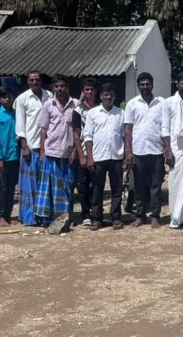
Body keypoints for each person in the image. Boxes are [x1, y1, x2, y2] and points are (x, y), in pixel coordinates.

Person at [37, 74, 82, 226]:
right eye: (56, 86)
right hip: (51, 152)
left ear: (67, 87)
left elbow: (78, 130)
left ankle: (66, 219)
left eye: (62, 86)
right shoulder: (48, 105)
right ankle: (51, 220)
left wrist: (76, 151)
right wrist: (42, 151)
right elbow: (43, 130)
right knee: (51, 189)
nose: (59, 89)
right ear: (53, 88)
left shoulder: (76, 104)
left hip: (69, 153)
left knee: (67, 188)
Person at [125, 72, 165, 227]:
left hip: (156, 150)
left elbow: (165, 127)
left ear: (152, 85)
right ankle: (140, 216)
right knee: (138, 185)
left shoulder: (161, 103)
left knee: (156, 185)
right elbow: (128, 129)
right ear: (138, 86)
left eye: (148, 84)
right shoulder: (132, 104)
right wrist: (128, 151)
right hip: (138, 151)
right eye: (142, 85)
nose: (145, 87)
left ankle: (155, 216)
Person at [85, 83, 126, 230]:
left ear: (114, 96)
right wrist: (89, 157)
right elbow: (88, 136)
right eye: (105, 95)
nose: (108, 97)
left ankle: (116, 218)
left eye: (111, 95)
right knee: (97, 189)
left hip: (116, 157)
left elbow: (125, 136)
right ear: (101, 96)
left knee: (117, 189)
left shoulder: (121, 114)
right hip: (98, 157)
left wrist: (127, 155)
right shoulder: (93, 113)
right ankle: (96, 218)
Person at [15, 70, 52, 226]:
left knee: (44, 184)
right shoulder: (22, 99)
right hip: (30, 147)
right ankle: (29, 217)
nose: (35, 82)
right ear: (28, 81)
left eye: (37, 79)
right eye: (32, 80)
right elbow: (20, 124)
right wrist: (25, 146)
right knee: (30, 185)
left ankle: (44, 215)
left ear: (41, 80)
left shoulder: (50, 96)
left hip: (48, 147)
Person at [161, 72, 183, 228]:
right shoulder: (168, 103)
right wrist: (168, 151)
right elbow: (164, 128)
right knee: (175, 184)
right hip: (175, 150)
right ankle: (175, 216)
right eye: (182, 83)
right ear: (177, 84)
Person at [0, 86, 20, 227]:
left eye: (9, 96)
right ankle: (0, 216)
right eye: (3, 97)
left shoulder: (17, 113)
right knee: (1, 187)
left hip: (15, 155)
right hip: (3, 156)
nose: (7, 99)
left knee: (11, 187)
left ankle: (8, 214)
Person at [75, 78, 98, 225]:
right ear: (83, 92)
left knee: (97, 185)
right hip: (84, 152)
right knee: (83, 185)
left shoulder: (100, 108)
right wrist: (81, 155)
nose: (89, 92)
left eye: (92, 89)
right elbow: (76, 135)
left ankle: (97, 213)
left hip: (100, 152)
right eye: (86, 89)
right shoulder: (78, 111)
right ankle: (85, 215)